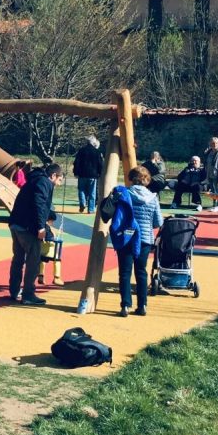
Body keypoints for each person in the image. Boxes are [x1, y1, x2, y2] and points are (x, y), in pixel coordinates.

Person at [109, 165, 163, 317]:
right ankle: (143, 305)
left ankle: (125, 305)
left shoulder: (125, 195)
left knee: (124, 272)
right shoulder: (153, 198)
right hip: (145, 238)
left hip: (127, 236)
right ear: (146, 180)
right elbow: (158, 221)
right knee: (141, 271)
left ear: (131, 179)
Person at [7, 162, 61, 305]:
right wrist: (41, 228)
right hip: (28, 226)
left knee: (18, 258)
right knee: (33, 260)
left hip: (16, 223)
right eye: (59, 180)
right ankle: (28, 294)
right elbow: (39, 204)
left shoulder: (33, 179)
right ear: (53, 175)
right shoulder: (44, 183)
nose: (59, 184)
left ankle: (14, 290)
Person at [73, 136, 104, 214]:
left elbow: (77, 162)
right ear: (94, 143)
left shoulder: (81, 151)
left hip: (82, 174)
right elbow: (100, 164)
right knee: (92, 192)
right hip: (93, 175)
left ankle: (82, 203)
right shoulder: (97, 152)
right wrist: (100, 173)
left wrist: (76, 172)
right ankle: (90, 209)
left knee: (81, 190)